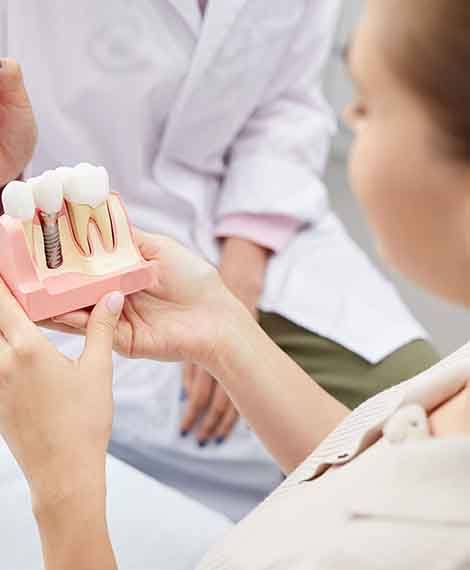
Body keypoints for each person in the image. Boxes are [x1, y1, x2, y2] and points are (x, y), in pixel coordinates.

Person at [0, 0, 437, 522]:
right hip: (50, 236)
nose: (355, 116)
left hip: (254, 231)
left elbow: (288, 102)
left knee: (413, 419)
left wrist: (239, 280)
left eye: (367, 108)